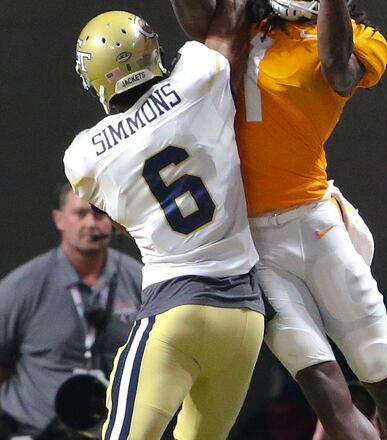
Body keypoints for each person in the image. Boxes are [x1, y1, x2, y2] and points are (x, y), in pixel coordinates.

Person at [170, 0, 387, 438]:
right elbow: (199, 19)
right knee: (325, 393)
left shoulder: (362, 39)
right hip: (252, 243)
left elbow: (337, 71)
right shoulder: (245, 27)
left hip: (316, 225)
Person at [64, 3, 265, 440]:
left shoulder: (86, 156)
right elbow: (228, 28)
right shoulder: (197, 76)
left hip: (175, 311)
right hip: (245, 318)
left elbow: (124, 219)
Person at [0, 184, 143, 438]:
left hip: (112, 431)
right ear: (58, 219)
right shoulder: (24, 285)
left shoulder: (138, 278)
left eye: (100, 214)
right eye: (80, 214)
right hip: (41, 431)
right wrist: (29, 396)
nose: (92, 223)